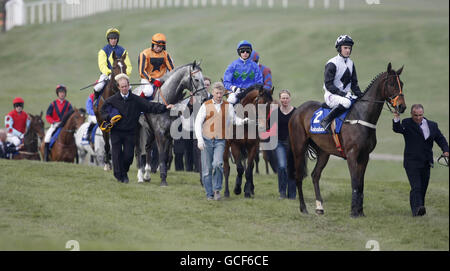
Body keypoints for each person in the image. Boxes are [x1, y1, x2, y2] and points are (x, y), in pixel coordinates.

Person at [100, 73, 174, 183]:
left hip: (130, 133)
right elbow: (103, 110)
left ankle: (123, 172)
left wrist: (165, 107)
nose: (124, 88)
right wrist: (108, 117)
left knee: (129, 157)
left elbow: (150, 106)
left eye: (126, 86)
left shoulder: (136, 99)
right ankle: (120, 176)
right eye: (122, 86)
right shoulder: (112, 100)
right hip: (116, 132)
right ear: (119, 87)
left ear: (129, 85)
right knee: (116, 155)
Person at [194, 82, 250, 200]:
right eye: (217, 93)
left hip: (220, 140)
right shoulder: (206, 105)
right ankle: (209, 194)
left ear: (224, 93)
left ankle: (217, 189)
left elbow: (234, 119)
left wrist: (244, 121)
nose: (219, 95)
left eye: (221, 93)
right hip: (206, 140)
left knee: (218, 164)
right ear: (213, 93)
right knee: (207, 169)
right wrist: (199, 140)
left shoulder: (228, 106)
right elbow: (198, 123)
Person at [393, 104, 449, 216]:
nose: (418, 118)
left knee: (423, 187)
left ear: (423, 114)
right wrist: (396, 117)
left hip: (426, 162)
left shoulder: (432, 125)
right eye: (415, 115)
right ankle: (416, 210)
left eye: (420, 115)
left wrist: (446, 150)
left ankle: (420, 208)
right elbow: (397, 129)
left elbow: (440, 138)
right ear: (411, 114)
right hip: (411, 162)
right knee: (416, 187)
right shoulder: (407, 123)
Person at [320, 35, 364, 132]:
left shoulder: (351, 63)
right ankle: (325, 120)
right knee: (347, 103)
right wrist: (343, 94)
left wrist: (361, 95)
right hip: (331, 95)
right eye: (345, 48)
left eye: (349, 48)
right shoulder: (332, 63)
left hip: (346, 96)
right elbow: (329, 85)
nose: (348, 50)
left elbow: (354, 84)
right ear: (339, 48)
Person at [94, 28, 132, 102]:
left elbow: (128, 65)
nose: (113, 40)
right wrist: (109, 73)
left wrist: (125, 74)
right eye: (111, 38)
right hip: (107, 74)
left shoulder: (123, 50)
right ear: (108, 39)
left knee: (129, 88)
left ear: (117, 39)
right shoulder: (103, 51)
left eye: (115, 38)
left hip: (121, 75)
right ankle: (96, 103)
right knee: (98, 87)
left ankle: (130, 104)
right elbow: (102, 65)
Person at [223, 40, 263, 105]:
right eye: (242, 51)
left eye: (247, 51)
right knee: (231, 100)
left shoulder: (255, 66)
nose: (245, 53)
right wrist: (233, 88)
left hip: (251, 92)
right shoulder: (232, 66)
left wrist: (252, 89)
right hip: (236, 92)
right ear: (239, 52)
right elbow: (226, 82)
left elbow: (259, 82)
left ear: (250, 53)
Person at [138, 33, 175, 100]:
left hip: (161, 78)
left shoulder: (165, 55)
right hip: (147, 78)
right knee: (148, 91)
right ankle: (139, 103)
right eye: (157, 46)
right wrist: (153, 81)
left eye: (161, 47)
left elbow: (172, 69)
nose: (158, 48)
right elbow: (142, 72)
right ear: (153, 44)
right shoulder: (144, 54)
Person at [275, 90, 296, 199]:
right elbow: (269, 127)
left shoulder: (296, 112)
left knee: (291, 167)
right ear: (280, 99)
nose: (285, 100)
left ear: (290, 99)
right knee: (282, 166)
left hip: (293, 144)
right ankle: (282, 192)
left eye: (286, 98)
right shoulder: (275, 112)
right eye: (283, 98)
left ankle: (292, 194)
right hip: (279, 143)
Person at [43, 84, 73, 161]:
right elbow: (48, 116)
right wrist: (53, 122)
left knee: (75, 138)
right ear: (58, 94)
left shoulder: (68, 104)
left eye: (63, 92)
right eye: (60, 92)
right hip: (55, 125)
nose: (62, 94)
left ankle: (76, 157)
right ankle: (46, 156)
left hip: (65, 126)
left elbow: (71, 116)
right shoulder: (53, 104)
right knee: (47, 138)